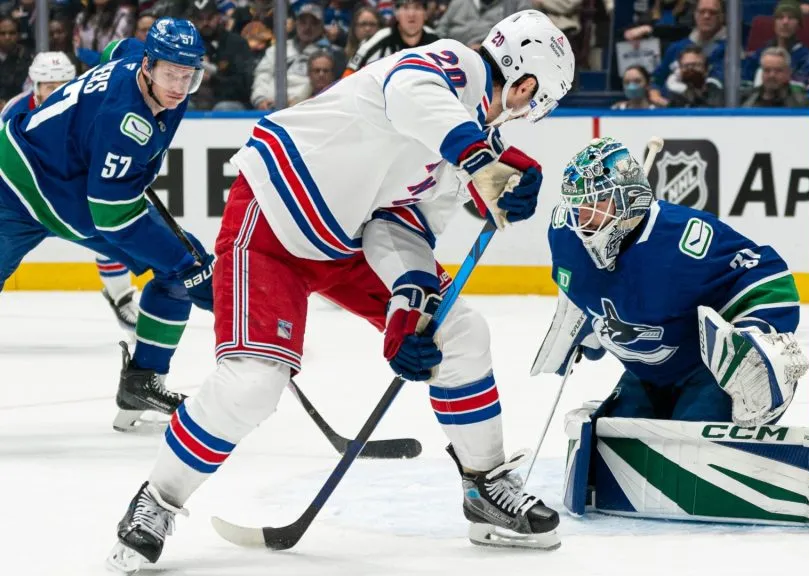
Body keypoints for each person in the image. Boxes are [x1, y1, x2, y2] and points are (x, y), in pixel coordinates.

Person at [107, 9, 575, 573]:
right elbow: (410, 92)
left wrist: (408, 306)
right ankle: (157, 500)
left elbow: (402, 225)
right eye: (538, 100)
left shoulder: (472, 141)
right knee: (253, 383)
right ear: (525, 85)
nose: (531, 110)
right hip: (272, 218)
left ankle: (485, 486)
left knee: (459, 332)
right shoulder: (456, 65)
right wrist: (483, 161)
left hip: (346, 240)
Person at [533, 137, 809, 531]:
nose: (582, 218)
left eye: (595, 204)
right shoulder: (565, 235)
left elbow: (771, 278)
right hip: (646, 374)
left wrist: (752, 336)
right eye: (577, 205)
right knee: (615, 442)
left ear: (630, 199)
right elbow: (578, 285)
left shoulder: (685, 239)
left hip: (704, 373)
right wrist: (585, 316)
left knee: (695, 444)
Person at [0, 18, 216, 433]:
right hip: (18, 186)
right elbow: (113, 217)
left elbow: (113, 49)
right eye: (170, 73)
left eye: (188, 75)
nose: (178, 85)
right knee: (186, 264)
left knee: (183, 266)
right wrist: (194, 271)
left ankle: (143, 380)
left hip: (61, 180)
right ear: (149, 66)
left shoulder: (137, 59)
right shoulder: (124, 123)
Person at [0, 51, 141, 333]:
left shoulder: (87, 106)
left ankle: (121, 296)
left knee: (115, 232)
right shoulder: (14, 113)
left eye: (63, 85)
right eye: (50, 87)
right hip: (27, 206)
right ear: (35, 86)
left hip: (71, 201)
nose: (57, 92)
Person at [344, 0, 439, 77]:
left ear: (425, 14)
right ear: (396, 13)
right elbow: (349, 74)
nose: (411, 14)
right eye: (405, 7)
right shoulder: (376, 41)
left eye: (417, 8)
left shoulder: (436, 42)